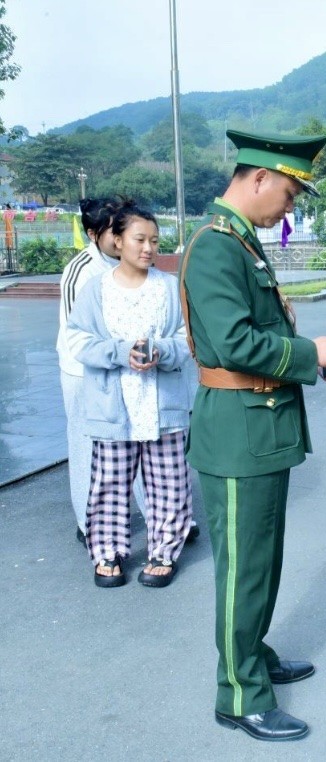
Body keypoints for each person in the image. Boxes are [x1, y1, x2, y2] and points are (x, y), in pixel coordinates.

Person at [180, 129, 326, 742]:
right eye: (287, 191)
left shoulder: (242, 241)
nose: (290, 206)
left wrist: (313, 358)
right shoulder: (216, 246)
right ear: (257, 178)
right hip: (237, 434)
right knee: (242, 569)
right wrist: (311, 352)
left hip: (262, 428)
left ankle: (251, 652)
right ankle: (240, 692)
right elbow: (232, 344)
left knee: (262, 560)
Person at [57, 198, 199, 546]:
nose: (149, 247)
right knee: (105, 472)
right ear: (113, 239)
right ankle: (98, 538)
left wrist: (162, 351)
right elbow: (78, 336)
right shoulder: (92, 281)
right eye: (139, 239)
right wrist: (119, 353)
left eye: (154, 240)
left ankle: (165, 544)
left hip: (159, 397)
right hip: (98, 384)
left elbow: (187, 338)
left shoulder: (168, 287)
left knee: (166, 476)